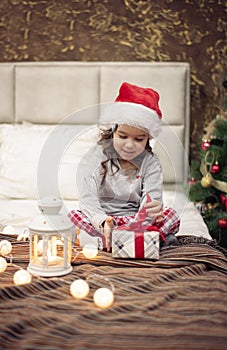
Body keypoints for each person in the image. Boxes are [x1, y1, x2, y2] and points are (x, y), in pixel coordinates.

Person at [68, 82, 180, 251]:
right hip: (105, 221)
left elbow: (151, 202)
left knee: (172, 215)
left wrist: (139, 223)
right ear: (113, 131)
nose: (129, 145)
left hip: (135, 221)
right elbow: (87, 199)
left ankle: (112, 243)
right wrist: (102, 222)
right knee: (72, 217)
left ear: (148, 138)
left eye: (138, 139)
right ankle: (145, 242)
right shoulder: (96, 156)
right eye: (123, 136)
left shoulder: (151, 163)